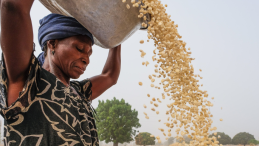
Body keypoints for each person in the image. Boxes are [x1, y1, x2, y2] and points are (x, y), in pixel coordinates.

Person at [0, 0, 121, 145]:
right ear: (52, 44)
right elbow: (13, 5)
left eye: (89, 54)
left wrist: (120, 31)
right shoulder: (29, 81)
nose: (86, 60)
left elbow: (110, 76)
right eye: (79, 48)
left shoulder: (79, 92)